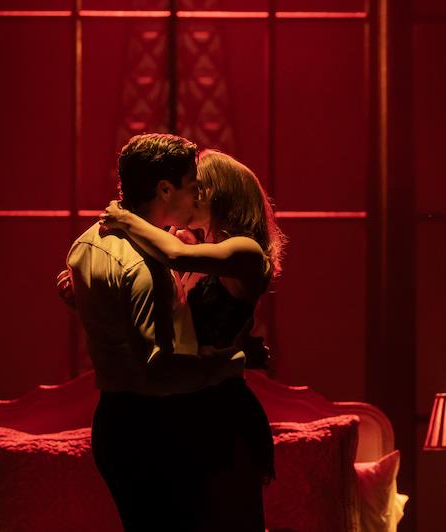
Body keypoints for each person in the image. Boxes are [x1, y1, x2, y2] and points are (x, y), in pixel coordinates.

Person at [98, 148, 284, 530]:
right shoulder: (200, 249)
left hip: (222, 412)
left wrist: (126, 218)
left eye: (199, 188)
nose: (191, 196)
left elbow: (177, 256)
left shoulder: (245, 250)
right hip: (189, 407)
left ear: (221, 193)